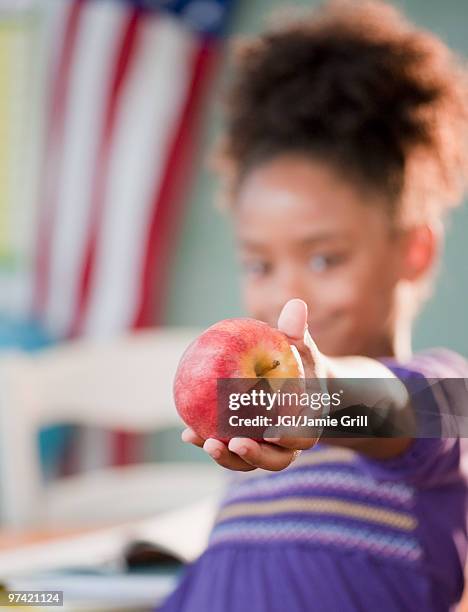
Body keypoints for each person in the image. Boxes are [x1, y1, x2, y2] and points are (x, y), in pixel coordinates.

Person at [158, 1, 468, 610]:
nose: (287, 294)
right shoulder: (254, 454)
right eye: (260, 263)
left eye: (324, 259)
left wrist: (324, 396)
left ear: (414, 252)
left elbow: (395, 410)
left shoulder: (446, 401)